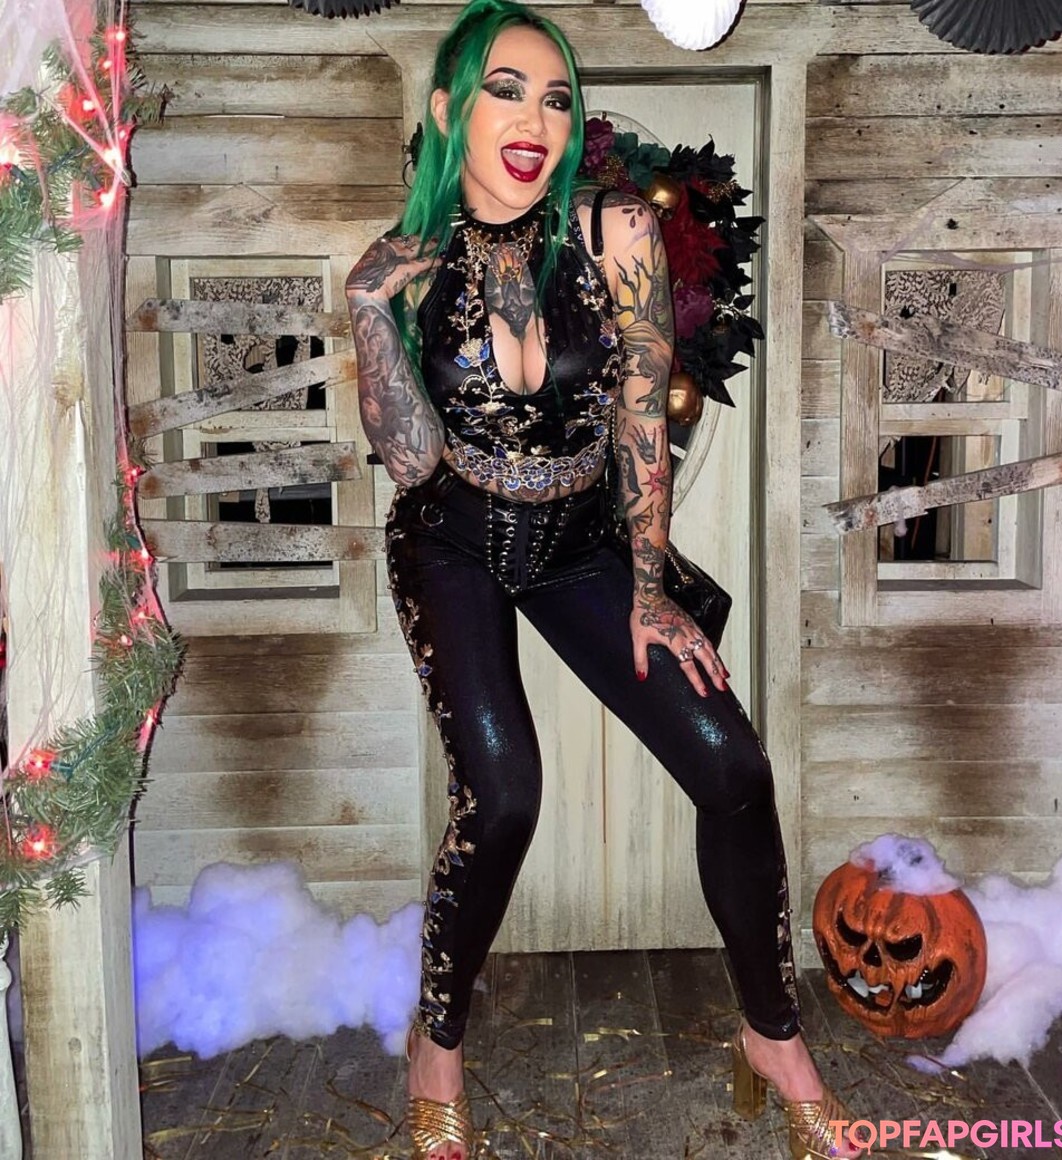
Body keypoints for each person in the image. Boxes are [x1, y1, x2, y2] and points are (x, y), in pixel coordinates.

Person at [346, 3, 866, 1158]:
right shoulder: (408, 259)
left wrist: (648, 579)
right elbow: (414, 459)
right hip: (453, 536)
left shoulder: (614, 227)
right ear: (450, 110)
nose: (534, 120)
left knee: (733, 765)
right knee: (505, 793)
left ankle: (772, 1037)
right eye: (505, 90)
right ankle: (436, 1043)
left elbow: (641, 406)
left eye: (555, 97)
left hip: (584, 537)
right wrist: (371, 312)